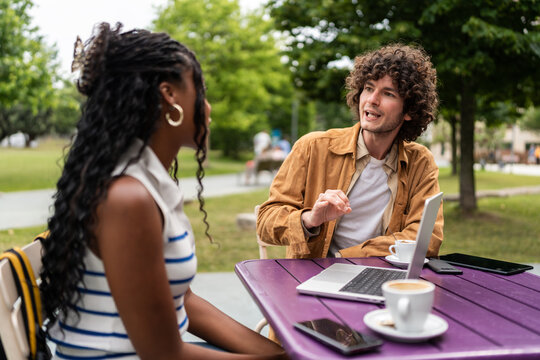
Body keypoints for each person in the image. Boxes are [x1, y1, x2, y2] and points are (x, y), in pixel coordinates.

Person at [39, 23, 286, 359]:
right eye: (201, 91)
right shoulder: (128, 198)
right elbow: (163, 354)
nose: (208, 108)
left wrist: (277, 353)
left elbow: (183, 300)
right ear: (170, 96)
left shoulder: (148, 183)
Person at [257, 43, 443, 260]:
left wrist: (349, 257)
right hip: (314, 277)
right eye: (369, 88)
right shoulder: (312, 147)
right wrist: (311, 218)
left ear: (409, 110)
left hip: (383, 279)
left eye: (388, 93)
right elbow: (266, 222)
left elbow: (426, 238)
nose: (372, 100)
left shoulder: (420, 162)